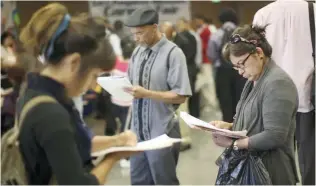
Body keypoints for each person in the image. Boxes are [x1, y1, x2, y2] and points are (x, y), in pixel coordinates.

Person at [16, 3, 138, 184]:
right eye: (94, 76)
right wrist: (113, 157)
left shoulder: (36, 92)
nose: (94, 86)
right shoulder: (50, 114)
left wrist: (116, 140)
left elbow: (74, 144)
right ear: (74, 63)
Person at [207, 25, 299, 185]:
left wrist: (233, 144)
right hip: (252, 167)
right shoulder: (254, 81)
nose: (240, 71)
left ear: (259, 53)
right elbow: (252, 122)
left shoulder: (277, 83)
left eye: (242, 64)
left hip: (271, 172)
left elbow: (274, 135)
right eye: (236, 67)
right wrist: (228, 127)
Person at [124, 7, 192, 185]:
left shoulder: (173, 54)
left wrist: (148, 94)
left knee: (164, 181)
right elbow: (130, 84)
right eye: (133, 34)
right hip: (137, 132)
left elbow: (181, 95)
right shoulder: (137, 52)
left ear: (155, 27)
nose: (136, 38)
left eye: (140, 33)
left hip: (162, 131)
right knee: (138, 181)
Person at [252, 1, 315, 184]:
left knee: (274, 154)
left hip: (272, 96)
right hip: (307, 95)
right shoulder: (313, 10)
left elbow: (256, 56)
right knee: (310, 160)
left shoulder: (263, 14)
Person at [207, 8, 246, 123]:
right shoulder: (243, 34)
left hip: (222, 71)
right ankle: (240, 123)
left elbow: (211, 55)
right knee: (240, 98)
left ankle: (227, 125)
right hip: (240, 70)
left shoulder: (215, 35)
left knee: (225, 100)